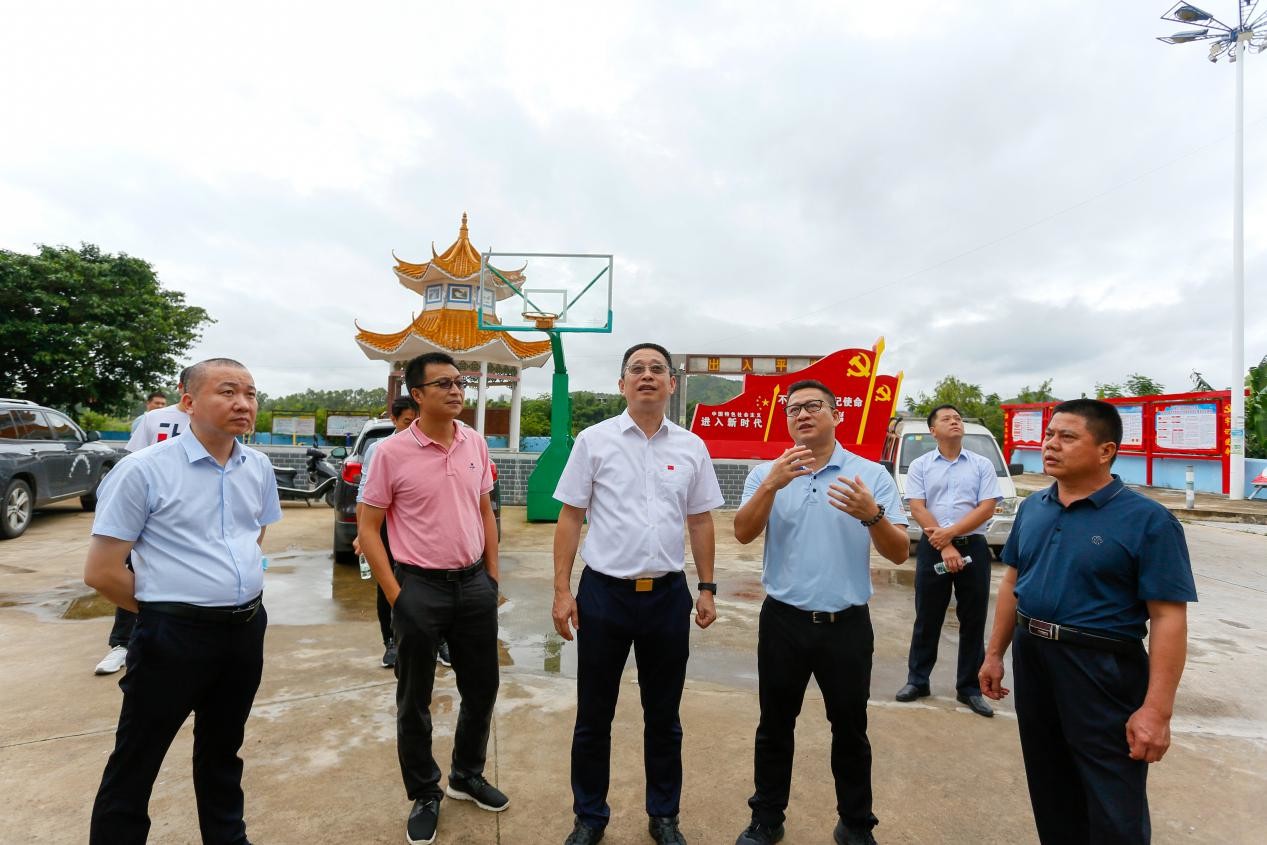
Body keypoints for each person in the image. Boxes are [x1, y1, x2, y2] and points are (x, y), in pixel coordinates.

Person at [979, 399, 1197, 844]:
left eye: (1067, 437)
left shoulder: (1147, 521)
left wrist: (1156, 710)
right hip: (1034, 655)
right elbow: (1012, 583)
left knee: (1111, 794)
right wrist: (995, 653)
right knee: (1050, 783)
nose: (1050, 444)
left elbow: (1168, 616)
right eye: (1049, 435)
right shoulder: (1034, 507)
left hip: (1100, 666)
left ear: (1106, 451)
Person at [83, 358, 281, 844]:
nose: (243, 404)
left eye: (250, 393)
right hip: (172, 636)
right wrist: (168, 612)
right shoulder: (143, 470)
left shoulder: (257, 466)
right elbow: (102, 571)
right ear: (188, 402)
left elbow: (252, 536)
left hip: (244, 630)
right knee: (138, 757)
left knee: (223, 750)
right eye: (228, 392)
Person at [552, 342, 725, 845]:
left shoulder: (691, 446)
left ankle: (664, 815)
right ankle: (589, 817)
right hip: (604, 596)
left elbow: (700, 521)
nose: (646, 376)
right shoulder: (594, 441)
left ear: (672, 383)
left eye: (656, 369)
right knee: (594, 715)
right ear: (621, 383)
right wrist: (562, 590)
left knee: (664, 717)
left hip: (667, 598)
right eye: (636, 369)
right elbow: (570, 516)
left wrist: (707, 588)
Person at [731, 379, 908, 845]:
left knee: (850, 729)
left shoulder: (870, 475)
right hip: (783, 622)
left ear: (836, 415)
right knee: (774, 726)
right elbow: (743, 533)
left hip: (845, 625)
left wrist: (872, 514)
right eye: (793, 410)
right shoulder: (767, 473)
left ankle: (856, 823)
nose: (803, 415)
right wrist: (771, 484)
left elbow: (898, 553)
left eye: (813, 406)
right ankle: (767, 817)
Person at [359, 351, 508, 845]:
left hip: (474, 586)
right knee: (414, 699)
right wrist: (398, 597)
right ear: (417, 395)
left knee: (482, 688)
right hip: (419, 587)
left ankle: (466, 774)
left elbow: (485, 512)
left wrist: (491, 577)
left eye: (459, 382)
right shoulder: (390, 453)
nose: (456, 390)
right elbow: (369, 528)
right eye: (443, 383)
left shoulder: (474, 442)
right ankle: (425, 792)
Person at [895, 404, 1001, 718]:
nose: (955, 421)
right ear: (933, 431)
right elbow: (917, 507)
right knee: (927, 616)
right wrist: (944, 546)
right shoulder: (921, 465)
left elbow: (986, 508)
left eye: (957, 418)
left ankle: (969, 688)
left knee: (973, 619)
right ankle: (918, 681)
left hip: (974, 548)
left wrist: (950, 535)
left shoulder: (981, 464)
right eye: (947, 419)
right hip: (933, 548)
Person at [94, 369, 192, 676]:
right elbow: (133, 461)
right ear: (183, 388)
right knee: (135, 568)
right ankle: (121, 644)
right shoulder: (154, 419)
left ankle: (179, 634)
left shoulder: (211, 419)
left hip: (190, 508)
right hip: (152, 507)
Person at [353, 394, 419, 669]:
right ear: (393, 419)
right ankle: (391, 641)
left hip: (418, 528)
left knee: (426, 584)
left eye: (417, 420)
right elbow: (365, 492)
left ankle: (438, 641)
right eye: (407, 421)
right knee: (387, 581)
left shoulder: (431, 445)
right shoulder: (380, 449)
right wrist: (362, 533)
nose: (413, 427)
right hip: (387, 527)